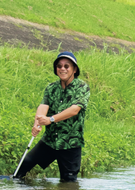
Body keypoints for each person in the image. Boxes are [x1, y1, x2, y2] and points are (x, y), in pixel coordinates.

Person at [14, 51, 90, 182]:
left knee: (68, 183)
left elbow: (74, 110)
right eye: (59, 66)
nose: (62, 69)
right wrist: (37, 123)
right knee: (24, 164)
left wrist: (51, 119)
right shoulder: (51, 88)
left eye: (67, 66)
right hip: (50, 140)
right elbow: (43, 106)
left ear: (74, 69)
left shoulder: (82, 87)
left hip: (70, 143)